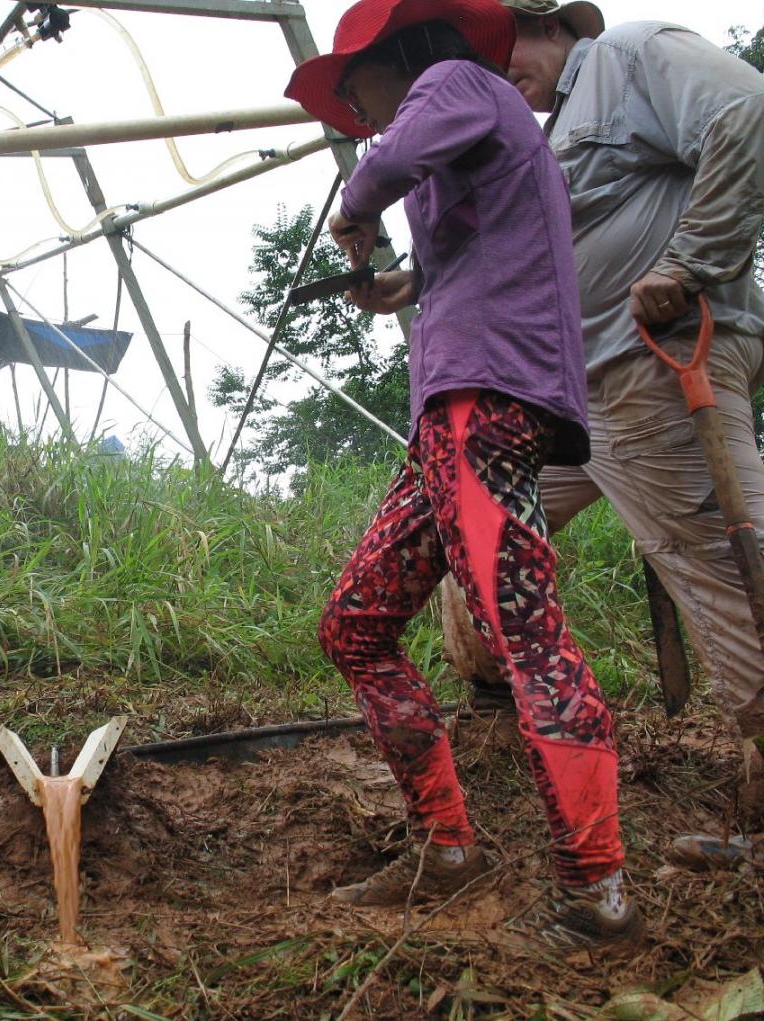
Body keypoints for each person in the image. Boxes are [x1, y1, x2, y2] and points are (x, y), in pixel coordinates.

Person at [285, 0, 641, 950]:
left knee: (521, 630)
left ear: (398, 56)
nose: (355, 112)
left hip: (485, 400)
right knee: (356, 623)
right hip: (448, 417)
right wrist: (405, 283)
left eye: (353, 86)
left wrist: (355, 205)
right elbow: (479, 251)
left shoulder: (456, 84)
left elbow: (393, 158)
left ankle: (597, 893)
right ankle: (446, 846)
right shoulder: (473, 117)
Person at [494, 0, 764, 868]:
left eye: (503, 48)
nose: (498, 73)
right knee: (477, 531)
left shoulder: (629, 54)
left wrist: (688, 262)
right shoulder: (551, 130)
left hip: (655, 369)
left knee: (729, 581)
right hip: (577, 402)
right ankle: (495, 734)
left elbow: (745, 113)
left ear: (548, 23)